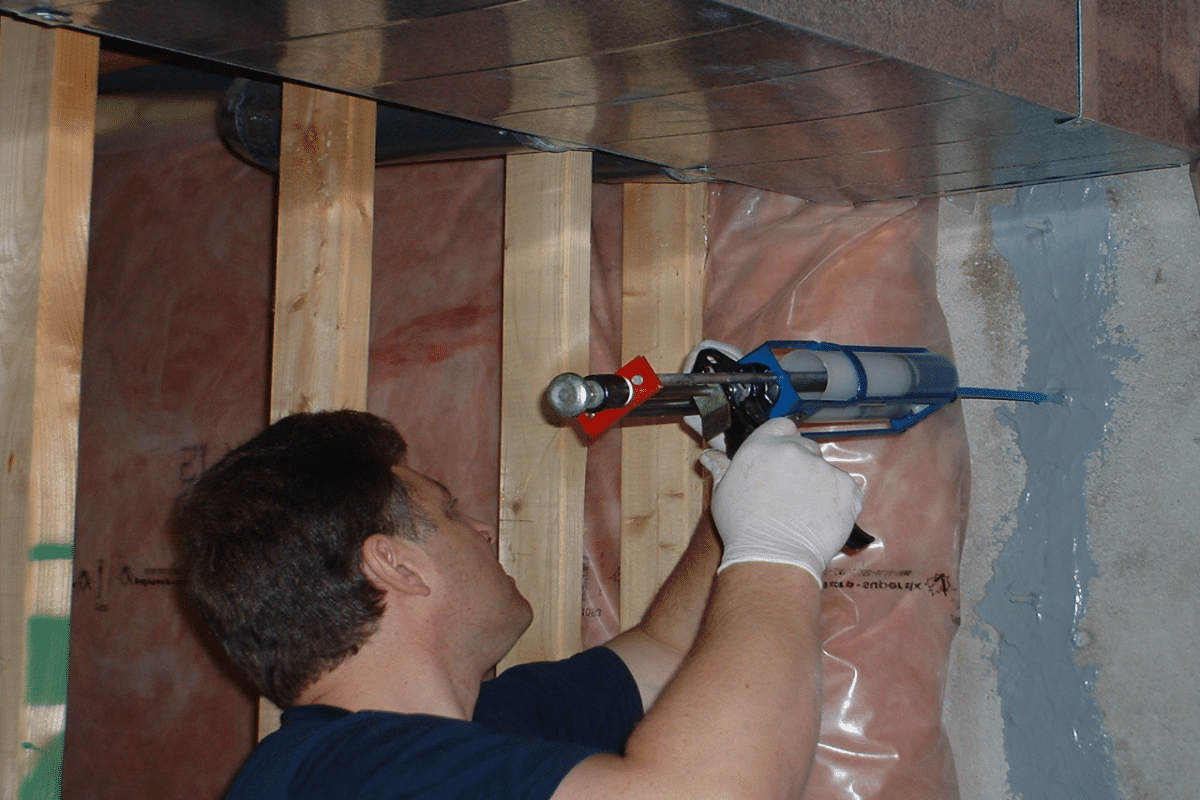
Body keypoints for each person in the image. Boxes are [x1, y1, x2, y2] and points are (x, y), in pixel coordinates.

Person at [175, 408, 863, 800]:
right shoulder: (350, 777)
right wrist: (778, 547)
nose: (482, 530)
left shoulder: (475, 728)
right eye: (449, 512)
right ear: (396, 564)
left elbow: (669, 653)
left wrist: (736, 498)